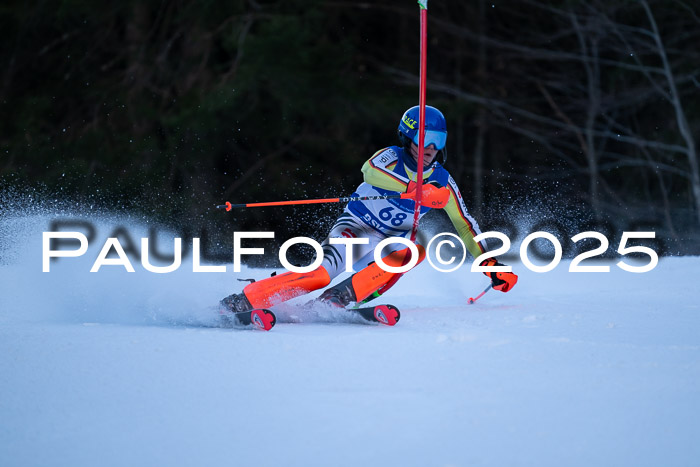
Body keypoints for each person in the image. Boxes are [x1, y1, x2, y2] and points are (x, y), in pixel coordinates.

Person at [220, 105, 518, 322]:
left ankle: (334, 302)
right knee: (320, 274)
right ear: (407, 137)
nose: (429, 148)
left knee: (414, 250)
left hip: (389, 242)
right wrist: (415, 188)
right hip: (357, 229)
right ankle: (242, 301)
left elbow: (465, 226)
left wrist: (490, 264)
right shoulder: (390, 157)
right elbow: (369, 171)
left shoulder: (443, 183)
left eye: (437, 142)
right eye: (423, 139)